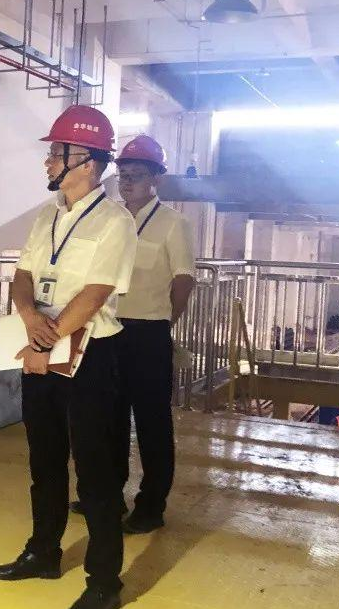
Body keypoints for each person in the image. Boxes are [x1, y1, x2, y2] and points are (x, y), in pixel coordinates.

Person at [0, 105, 137, 609]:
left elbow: (95, 293)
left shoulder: (115, 221)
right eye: (51, 152)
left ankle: (104, 583)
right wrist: (30, 317)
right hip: (42, 346)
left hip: (91, 354)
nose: (48, 161)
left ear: (88, 162)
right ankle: (43, 553)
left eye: (58, 152)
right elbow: (24, 275)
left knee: (95, 471)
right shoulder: (46, 216)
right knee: (44, 460)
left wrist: (42, 341)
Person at [107, 135, 194, 533]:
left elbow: (183, 280)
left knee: (152, 423)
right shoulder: (111, 219)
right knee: (108, 418)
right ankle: (108, 494)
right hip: (108, 330)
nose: (127, 182)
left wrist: (164, 323)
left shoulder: (173, 223)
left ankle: (151, 506)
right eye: (123, 175)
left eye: (136, 175)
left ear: (156, 178)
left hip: (149, 333)